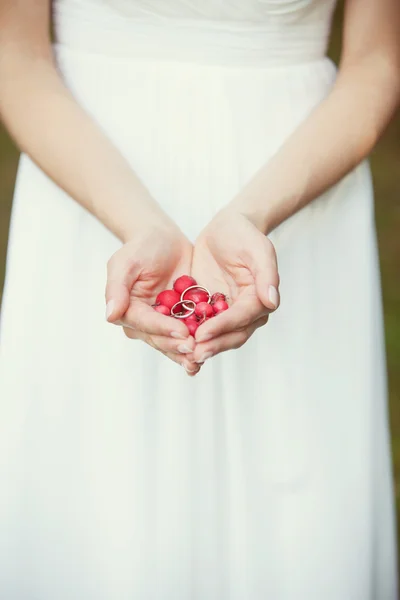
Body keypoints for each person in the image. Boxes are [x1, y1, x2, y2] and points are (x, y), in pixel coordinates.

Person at [0, 0, 398, 598]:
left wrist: (254, 213)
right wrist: (135, 221)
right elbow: (16, 54)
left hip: (294, 179)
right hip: (88, 177)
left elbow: (377, 58)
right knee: (94, 509)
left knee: (296, 517)